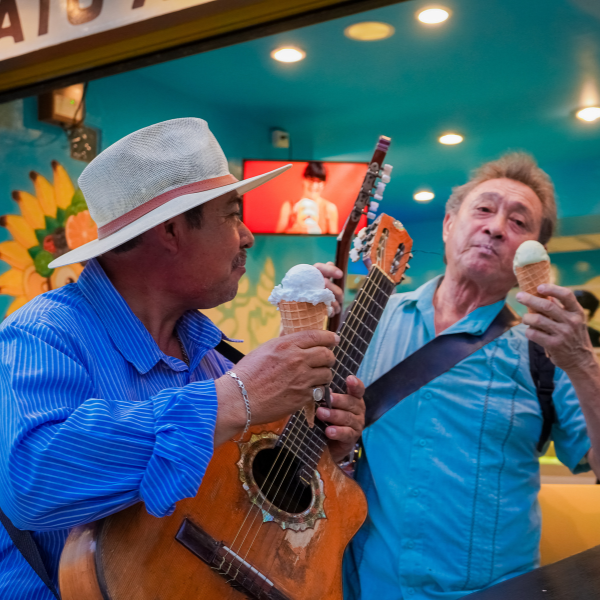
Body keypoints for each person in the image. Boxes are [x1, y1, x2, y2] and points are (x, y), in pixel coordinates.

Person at [0, 118, 365, 599]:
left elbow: (236, 504)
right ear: (171, 230)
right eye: (232, 215)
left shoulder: (214, 357)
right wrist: (232, 400)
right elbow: (34, 482)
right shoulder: (42, 334)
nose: (248, 236)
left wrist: (322, 455)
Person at [343, 152, 600, 600]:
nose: (496, 227)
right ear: (448, 225)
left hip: (493, 592)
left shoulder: (547, 351)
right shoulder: (369, 320)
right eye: (483, 209)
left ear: (532, 255)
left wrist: (582, 363)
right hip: (364, 586)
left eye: (519, 222)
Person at [276, 161, 339, 234]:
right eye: (311, 179)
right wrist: (296, 229)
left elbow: (333, 240)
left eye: (319, 181)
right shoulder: (288, 207)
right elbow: (276, 238)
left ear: (324, 184)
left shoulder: (330, 208)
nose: (314, 185)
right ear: (304, 180)